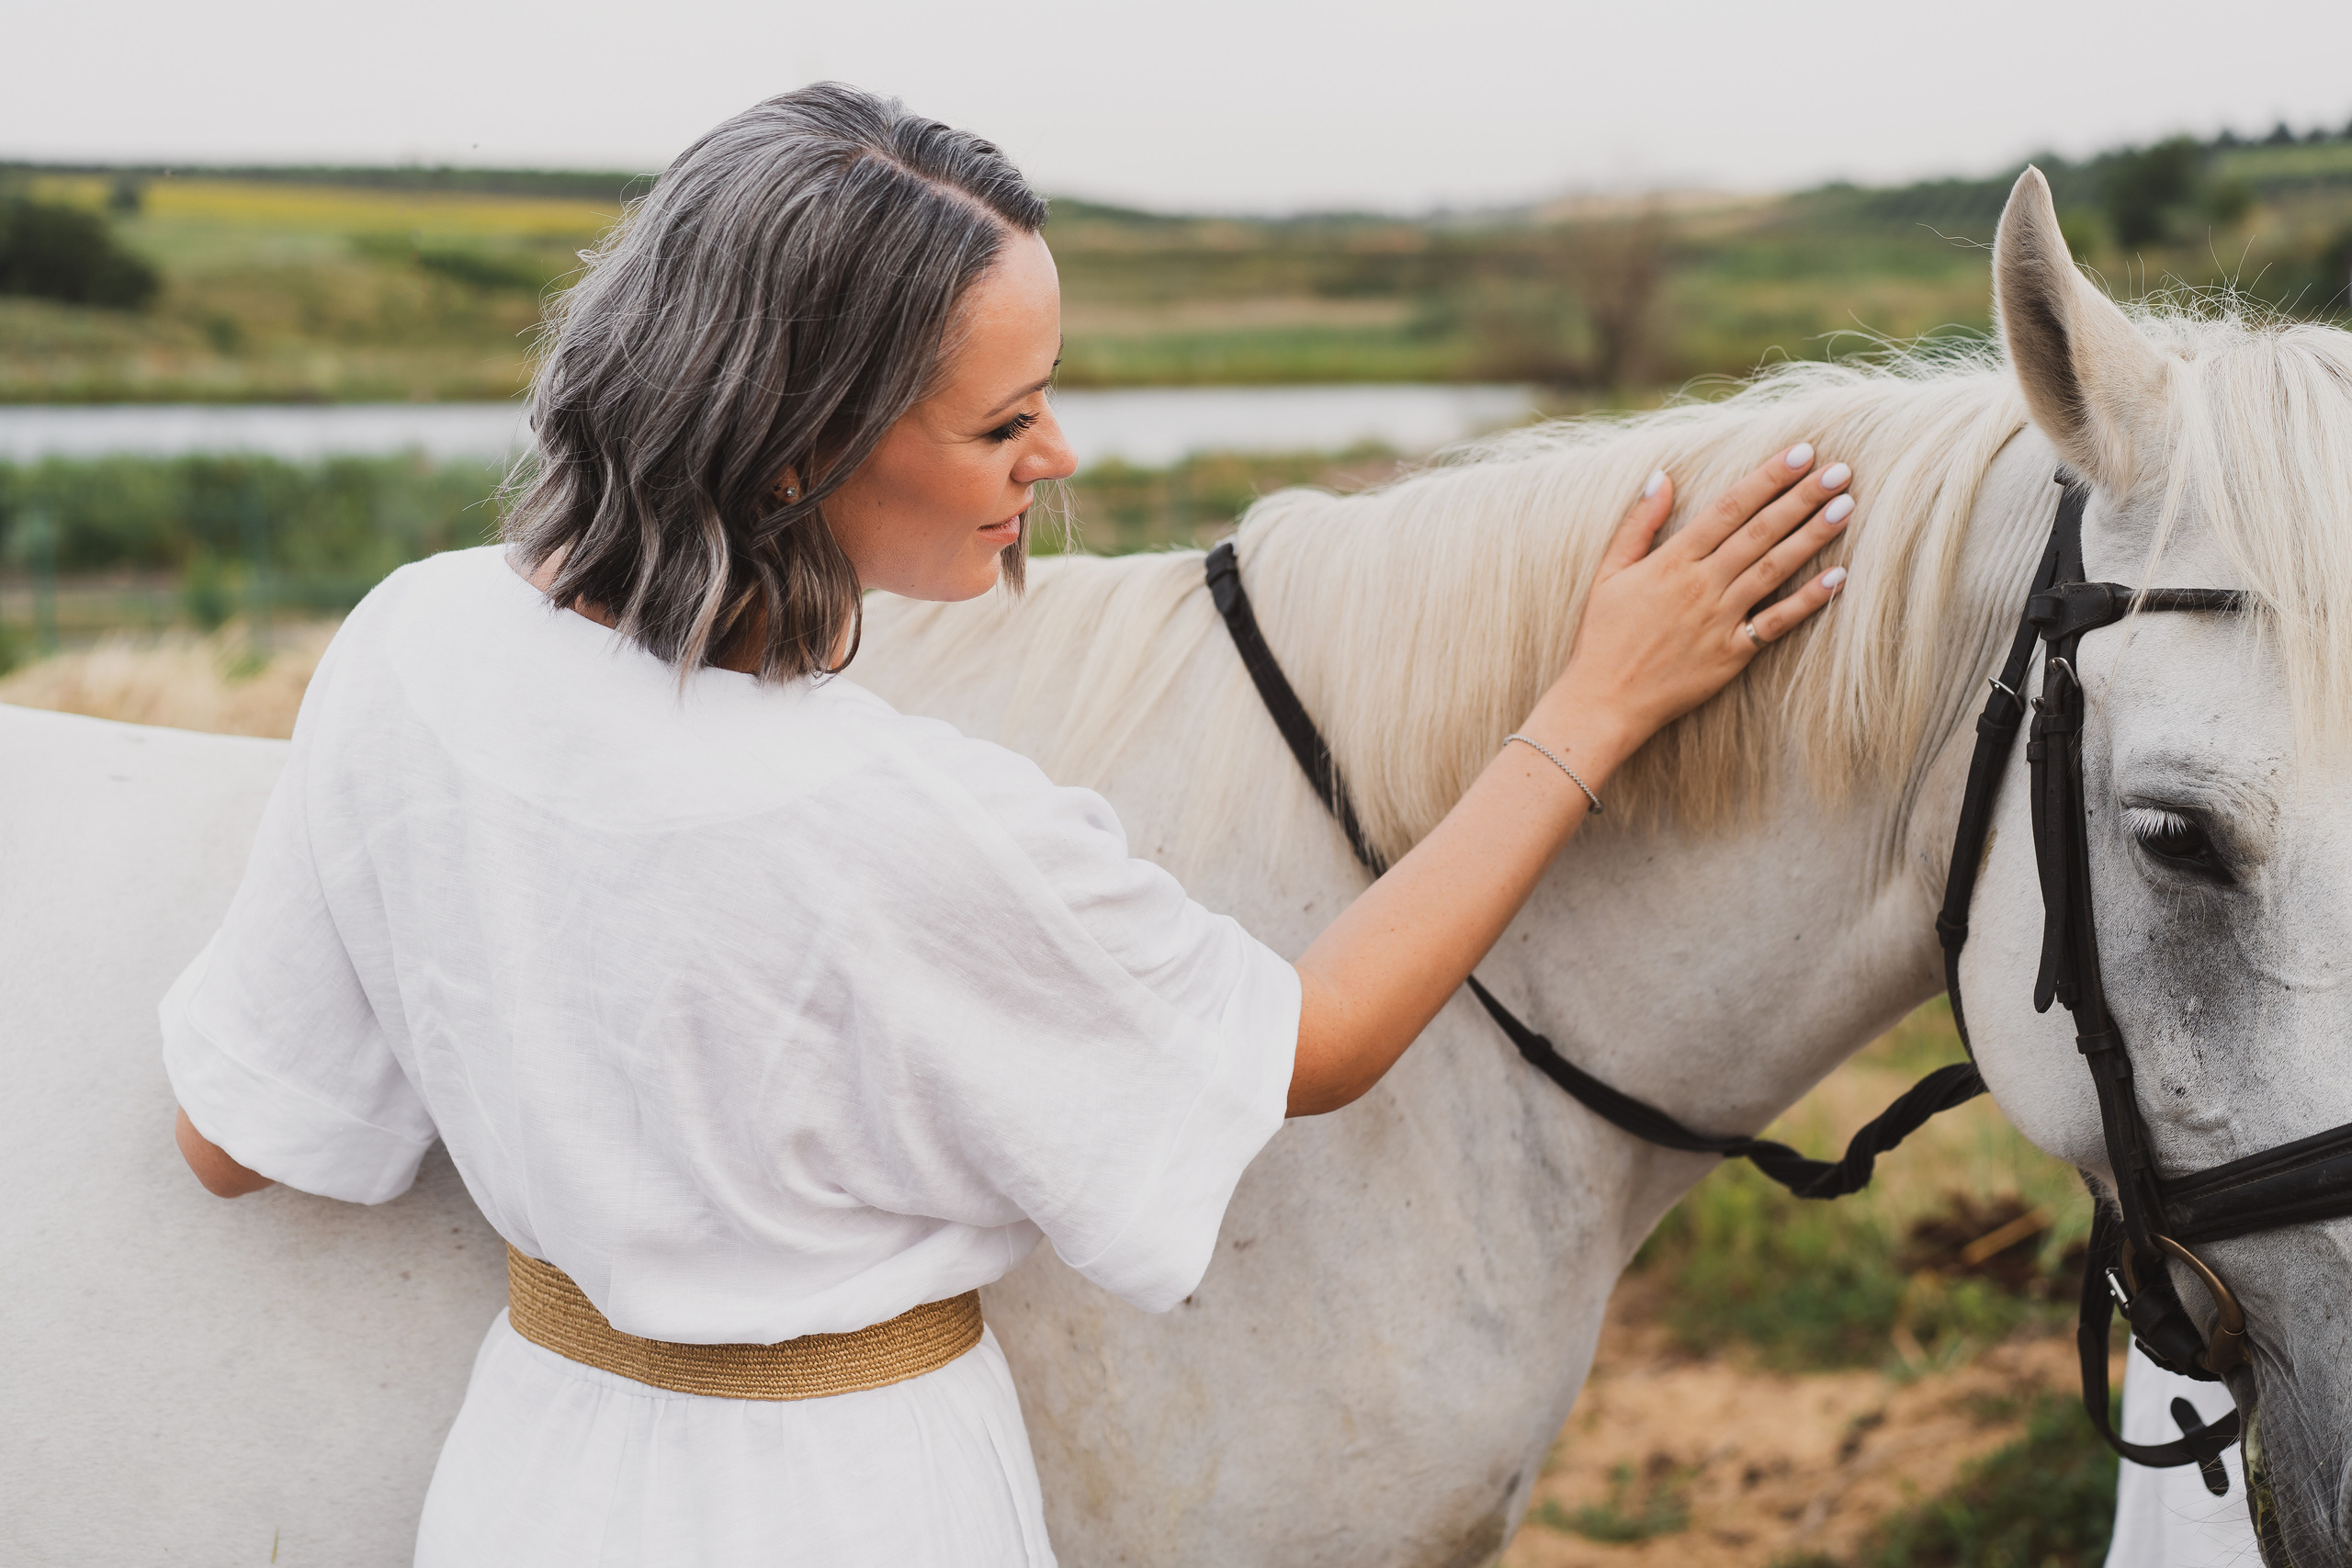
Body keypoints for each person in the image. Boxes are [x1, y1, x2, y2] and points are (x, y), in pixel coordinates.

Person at [163, 84, 1855, 1566]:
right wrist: (1597, 705)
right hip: (849, 1507)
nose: (1060, 450)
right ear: (788, 457)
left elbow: (233, 1141)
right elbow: (1319, 1041)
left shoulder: (416, 634)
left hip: (525, 1481)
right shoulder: (897, 821)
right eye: (1002, 419)